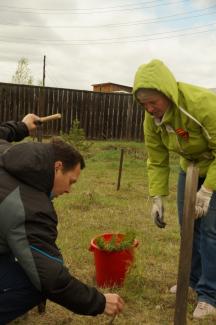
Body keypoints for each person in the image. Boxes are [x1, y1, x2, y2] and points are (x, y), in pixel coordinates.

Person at [0, 139, 124, 324]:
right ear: (57, 167)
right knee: (35, 284)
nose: (68, 190)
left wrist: (19, 128)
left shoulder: (7, 153)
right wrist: (100, 301)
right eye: (70, 181)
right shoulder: (31, 208)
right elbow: (51, 279)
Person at [133, 59, 216, 320]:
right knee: (188, 227)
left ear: (167, 93)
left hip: (213, 168)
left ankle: (209, 295)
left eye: (153, 102)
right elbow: (156, 158)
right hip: (188, 167)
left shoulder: (201, 105)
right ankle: (190, 280)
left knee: (210, 232)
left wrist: (208, 190)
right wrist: (157, 197)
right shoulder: (151, 119)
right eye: (144, 104)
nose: (150, 108)